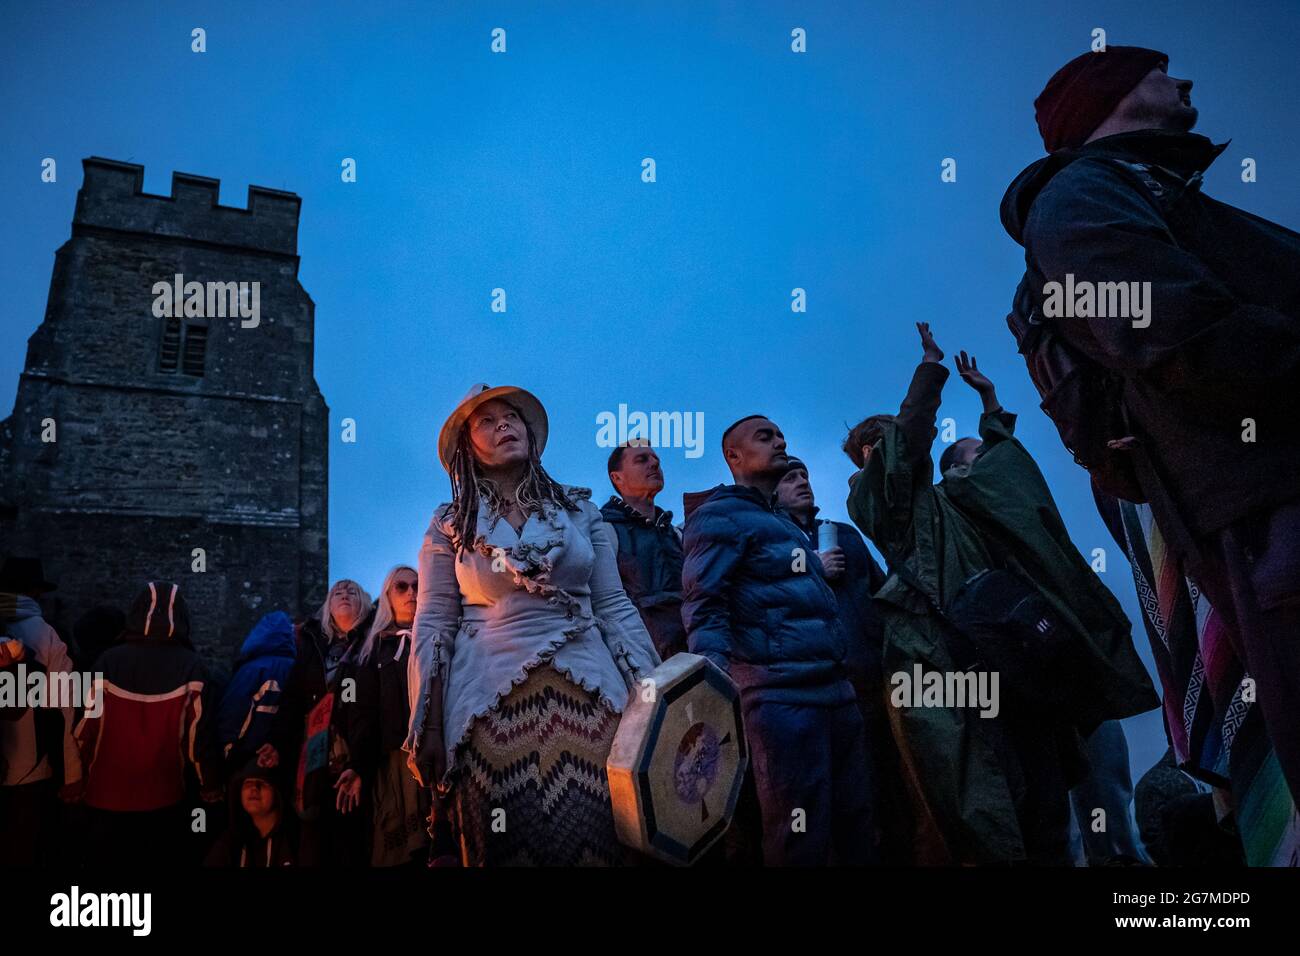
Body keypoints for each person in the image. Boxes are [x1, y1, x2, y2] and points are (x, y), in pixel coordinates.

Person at [1001, 45, 1300, 803]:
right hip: (1269, 502)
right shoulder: (1080, 197)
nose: (1187, 79)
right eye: (1158, 71)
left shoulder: (1145, 190)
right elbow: (1174, 335)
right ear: (1110, 100)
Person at [842, 324, 1156, 864]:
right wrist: (930, 370)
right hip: (947, 661)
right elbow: (907, 445)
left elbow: (1001, 474)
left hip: (1010, 657)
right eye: (892, 439)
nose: (911, 445)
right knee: (987, 800)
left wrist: (990, 401)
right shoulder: (878, 504)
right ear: (875, 452)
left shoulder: (952, 498)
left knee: (1046, 795)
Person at [405, 384, 660, 866]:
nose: (505, 425)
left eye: (512, 417)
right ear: (467, 446)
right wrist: (428, 722)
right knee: (504, 842)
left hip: (595, 696)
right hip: (485, 705)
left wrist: (653, 699)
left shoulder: (580, 512)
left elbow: (614, 606)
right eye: (487, 421)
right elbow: (435, 622)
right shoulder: (449, 523)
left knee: (601, 834)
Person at [681, 415, 875, 866]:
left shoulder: (786, 525)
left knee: (857, 826)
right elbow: (703, 603)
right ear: (733, 456)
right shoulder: (718, 516)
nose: (780, 441)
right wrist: (712, 688)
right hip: (780, 700)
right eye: (765, 437)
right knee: (798, 833)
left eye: (782, 435)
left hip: (836, 693)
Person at [774, 456, 914, 863]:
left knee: (896, 792)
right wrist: (811, 571)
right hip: (820, 691)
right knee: (848, 800)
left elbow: (881, 594)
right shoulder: (773, 543)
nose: (802, 482)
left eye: (805, 474)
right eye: (789, 477)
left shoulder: (845, 535)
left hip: (875, 682)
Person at [73, 580, 222, 866]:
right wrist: (210, 784)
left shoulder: (108, 661)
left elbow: (84, 729)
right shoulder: (192, 665)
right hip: (164, 796)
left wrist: (76, 777)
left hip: (104, 795)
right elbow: (197, 738)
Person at [260, 580, 376, 866]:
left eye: (352, 591)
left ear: (365, 603)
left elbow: (376, 709)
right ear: (327, 607)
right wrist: (275, 742)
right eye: (337, 592)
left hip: (356, 759)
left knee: (352, 846)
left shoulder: (375, 642)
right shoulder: (311, 645)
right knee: (312, 845)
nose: (344, 595)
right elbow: (292, 699)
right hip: (313, 761)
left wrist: (361, 762)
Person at [0, 558, 83, 866]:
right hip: (30, 769)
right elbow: (63, 708)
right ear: (37, 592)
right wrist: (71, 774)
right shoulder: (46, 635)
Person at [354, 565, 429, 867]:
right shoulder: (374, 650)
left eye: (416, 586)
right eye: (402, 586)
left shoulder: (438, 640)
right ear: (388, 594)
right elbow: (364, 712)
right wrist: (358, 766)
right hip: (395, 760)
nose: (411, 592)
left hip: (438, 753)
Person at [600, 440, 688, 660]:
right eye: (642, 460)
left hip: (693, 657)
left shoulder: (677, 535)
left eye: (656, 460)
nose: (654, 464)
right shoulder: (604, 532)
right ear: (617, 477)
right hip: (644, 662)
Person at [215, 611, 296, 773]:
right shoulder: (299, 667)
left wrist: (227, 752)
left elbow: (234, 711)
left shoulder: (253, 669)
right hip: (288, 757)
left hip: (250, 757)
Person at [205, 758, 298, 867]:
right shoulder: (231, 841)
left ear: (277, 794)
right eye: (248, 783)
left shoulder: (295, 839)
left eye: (263, 783)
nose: (254, 788)